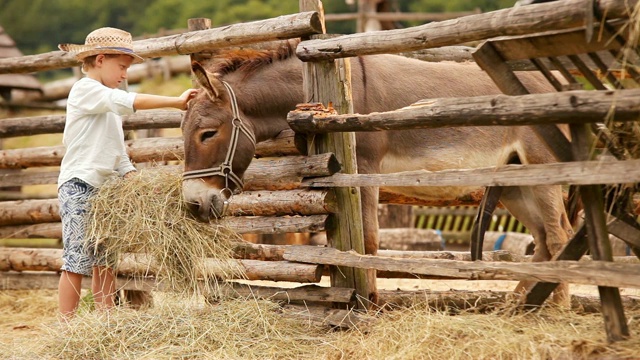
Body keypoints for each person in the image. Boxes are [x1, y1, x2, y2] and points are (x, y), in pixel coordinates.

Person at [56, 27, 198, 319]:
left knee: (106, 259)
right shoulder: (86, 90)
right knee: (77, 259)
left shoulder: (107, 102)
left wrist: (137, 180)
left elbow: (118, 153)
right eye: (121, 67)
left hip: (107, 191)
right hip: (80, 185)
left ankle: (106, 320)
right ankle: (65, 329)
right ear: (99, 60)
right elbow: (128, 101)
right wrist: (175, 101)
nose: (124, 75)